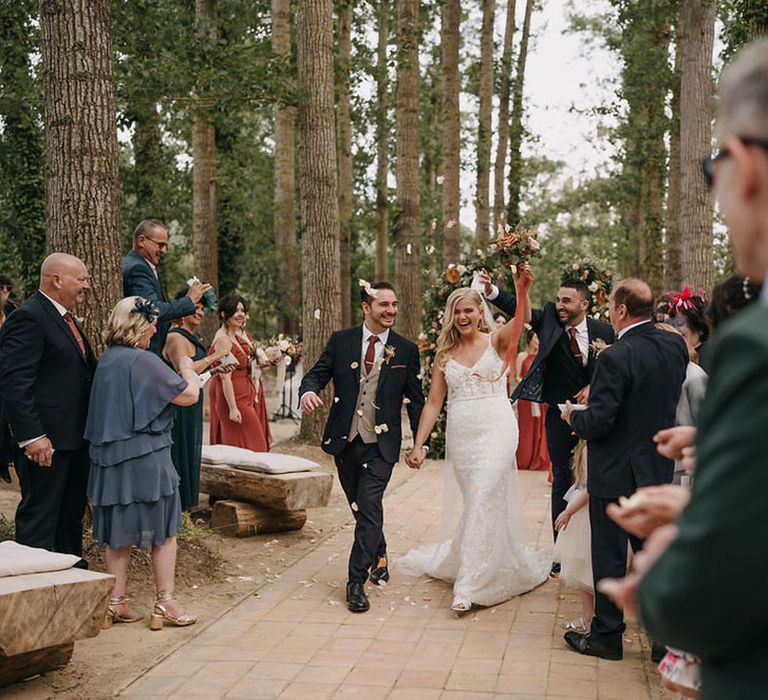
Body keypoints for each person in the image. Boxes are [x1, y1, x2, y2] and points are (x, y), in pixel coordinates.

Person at [631, 41, 768, 698]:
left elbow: (712, 597)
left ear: (743, 168)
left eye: (713, 173)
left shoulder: (755, 345)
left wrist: (663, 566)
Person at [400, 272, 551, 612]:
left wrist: (521, 288)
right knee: (478, 500)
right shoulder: (445, 353)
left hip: (497, 428)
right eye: (457, 312)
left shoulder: (496, 340)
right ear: (451, 317)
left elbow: (525, 319)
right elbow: (434, 402)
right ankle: (499, 555)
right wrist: (418, 444)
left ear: (479, 312)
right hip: (463, 435)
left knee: (482, 495)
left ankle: (468, 584)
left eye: (469, 310)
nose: (463, 317)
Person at [560, 278, 688, 660]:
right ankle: (664, 642)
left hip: (615, 473)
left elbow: (599, 422)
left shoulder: (615, 356)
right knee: (652, 556)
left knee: (611, 558)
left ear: (621, 311)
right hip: (655, 468)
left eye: (611, 307)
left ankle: (606, 637)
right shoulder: (674, 345)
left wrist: (572, 417)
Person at [299, 281, 426, 613]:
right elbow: (315, 374)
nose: (391, 311)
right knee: (362, 508)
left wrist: (420, 443)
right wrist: (307, 392)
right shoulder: (341, 341)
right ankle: (379, 552)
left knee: (369, 503)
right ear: (366, 307)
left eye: (394, 304)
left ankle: (355, 582)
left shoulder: (406, 349)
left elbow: (416, 401)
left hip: (382, 444)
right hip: (346, 440)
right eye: (384, 304)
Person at [86, 296, 200, 629]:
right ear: (139, 325)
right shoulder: (143, 360)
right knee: (163, 529)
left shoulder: (108, 359)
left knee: (118, 531)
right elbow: (187, 395)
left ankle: (115, 602)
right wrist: (187, 368)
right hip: (146, 456)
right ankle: (165, 601)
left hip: (111, 461)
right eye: (151, 324)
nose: (154, 330)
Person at [480, 269, 614, 546]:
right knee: (562, 477)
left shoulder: (605, 331)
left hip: (598, 415)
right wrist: (492, 291)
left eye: (567, 301)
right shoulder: (550, 321)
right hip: (558, 417)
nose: (561, 306)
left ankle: (595, 542)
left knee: (599, 475)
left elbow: (615, 367)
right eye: (558, 300)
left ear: (584, 305)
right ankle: (560, 549)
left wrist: (595, 387)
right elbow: (521, 311)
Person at [0, 253, 96, 562]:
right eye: (81, 279)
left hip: (74, 440)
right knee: (39, 519)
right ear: (57, 280)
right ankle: (31, 593)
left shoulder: (65, 319)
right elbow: (15, 382)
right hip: (46, 443)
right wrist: (33, 436)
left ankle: (72, 588)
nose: (87, 285)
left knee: (70, 518)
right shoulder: (28, 317)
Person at [163, 292, 231, 510]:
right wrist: (215, 356)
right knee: (179, 449)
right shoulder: (175, 336)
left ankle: (188, 503)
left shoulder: (192, 337)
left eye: (203, 308)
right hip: (178, 405)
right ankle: (177, 506)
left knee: (191, 448)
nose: (200, 312)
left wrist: (215, 369)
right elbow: (185, 372)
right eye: (196, 307)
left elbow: (196, 374)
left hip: (193, 402)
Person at [122, 219, 211, 355]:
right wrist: (189, 300)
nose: (164, 251)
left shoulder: (141, 266)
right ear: (141, 241)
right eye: (160, 245)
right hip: (143, 352)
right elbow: (151, 310)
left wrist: (170, 317)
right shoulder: (137, 268)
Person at [208, 295, 270, 451]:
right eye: (235, 311)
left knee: (251, 448)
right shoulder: (223, 340)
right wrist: (233, 408)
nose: (241, 314)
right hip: (234, 400)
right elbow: (225, 378)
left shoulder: (237, 337)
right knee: (255, 446)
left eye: (243, 310)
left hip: (246, 397)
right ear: (224, 314)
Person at [554, 441, 594, 634]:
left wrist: (568, 512)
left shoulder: (588, 448)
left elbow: (589, 487)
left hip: (584, 513)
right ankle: (592, 617)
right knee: (587, 568)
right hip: (588, 509)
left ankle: (588, 618)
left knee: (583, 567)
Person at [515, 330, 550, 472]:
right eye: (535, 337)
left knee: (540, 426)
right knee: (527, 427)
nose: (537, 341)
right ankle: (524, 459)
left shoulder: (542, 357)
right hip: (526, 398)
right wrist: (527, 388)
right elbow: (517, 376)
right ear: (529, 339)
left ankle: (538, 459)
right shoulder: (522, 356)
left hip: (540, 396)